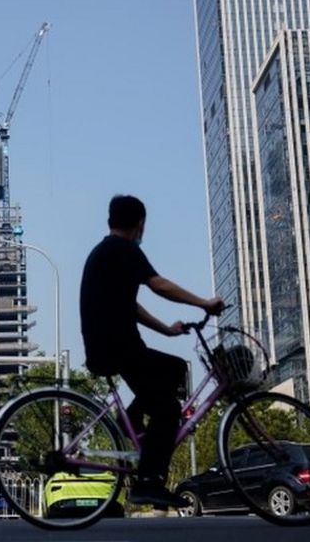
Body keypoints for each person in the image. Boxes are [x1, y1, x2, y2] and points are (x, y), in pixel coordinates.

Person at [79, 194, 225, 508]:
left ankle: (131, 418)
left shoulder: (105, 252)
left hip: (111, 345)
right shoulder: (124, 249)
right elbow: (159, 285)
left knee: (174, 368)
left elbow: (130, 306)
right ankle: (149, 481)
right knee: (168, 409)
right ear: (140, 224)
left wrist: (167, 330)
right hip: (118, 347)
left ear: (110, 220)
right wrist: (204, 303)